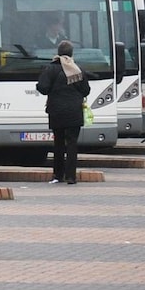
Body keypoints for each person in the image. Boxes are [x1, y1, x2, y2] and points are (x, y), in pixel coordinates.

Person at [35, 40, 91, 185]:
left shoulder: (51, 69)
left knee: (58, 143)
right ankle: (71, 177)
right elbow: (86, 90)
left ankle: (58, 175)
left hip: (57, 112)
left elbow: (43, 88)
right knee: (72, 144)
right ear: (72, 53)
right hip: (74, 112)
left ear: (58, 53)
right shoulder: (78, 69)